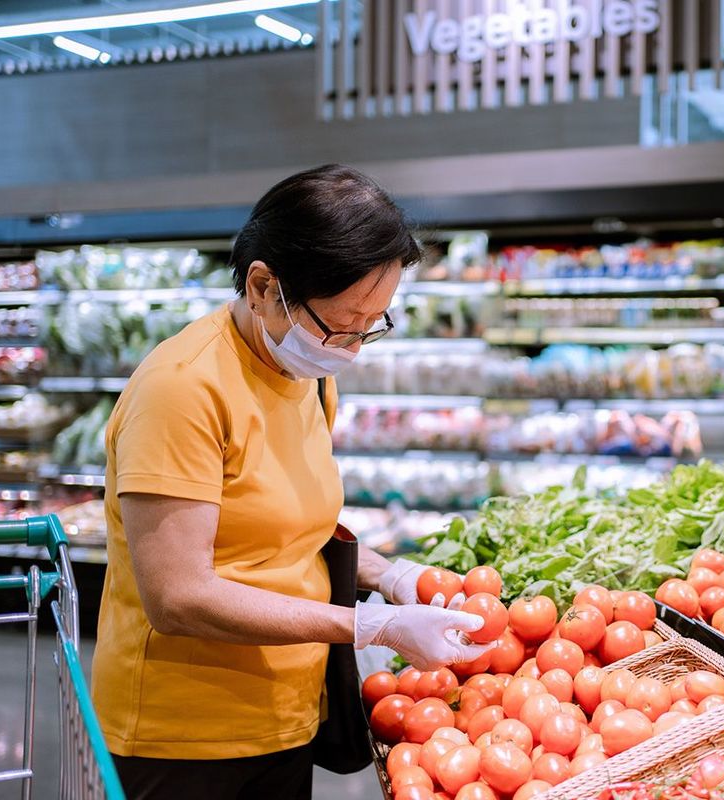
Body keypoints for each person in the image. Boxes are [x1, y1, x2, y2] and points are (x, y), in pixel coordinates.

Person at [92, 165, 491, 799]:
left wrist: (390, 574)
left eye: (374, 324)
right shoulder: (182, 388)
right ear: (262, 284)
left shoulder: (310, 377)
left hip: (286, 714)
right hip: (186, 733)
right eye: (341, 324)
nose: (354, 348)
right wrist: (370, 626)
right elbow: (178, 596)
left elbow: (289, 537)